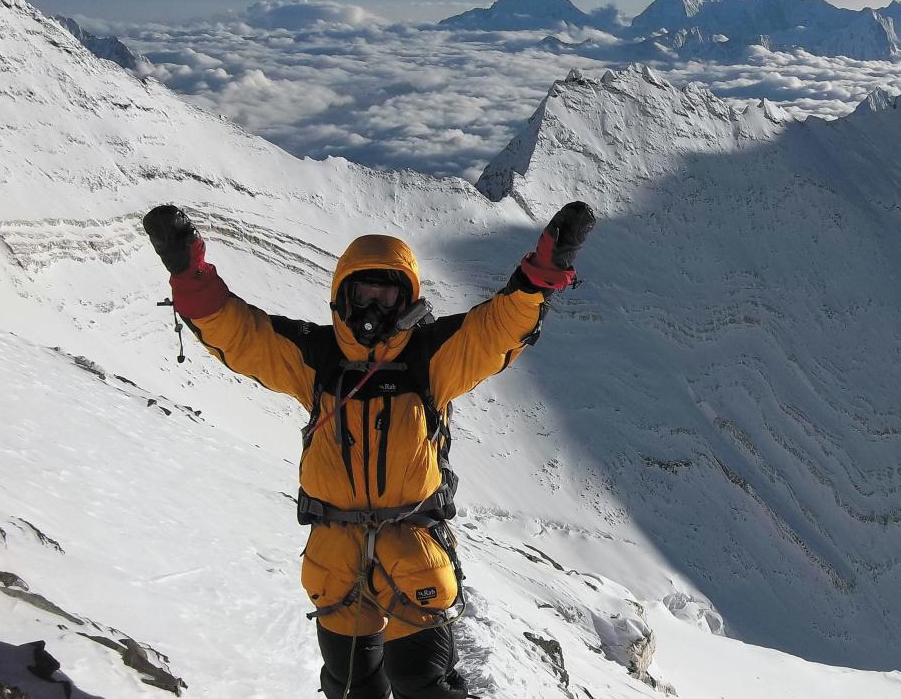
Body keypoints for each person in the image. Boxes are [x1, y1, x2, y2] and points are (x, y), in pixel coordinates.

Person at [142, 201, 595, 699]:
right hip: (336, 555)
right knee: (350, 688)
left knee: (424, 686)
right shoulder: (317, 359)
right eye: (364, 294)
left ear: (408, 301)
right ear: (343, 296)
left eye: (388, 295)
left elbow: (498, 328)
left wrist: (541, 275)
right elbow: (240, 333)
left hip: (411, 548)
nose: (374, 310)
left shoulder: (431, 358)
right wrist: (190, 274)